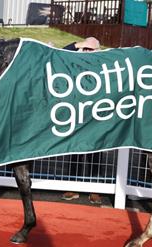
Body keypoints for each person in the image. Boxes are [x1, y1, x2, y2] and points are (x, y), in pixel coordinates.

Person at [61, 37, 103, 204]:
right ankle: (73, 186)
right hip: (77, 113)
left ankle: (94, 189)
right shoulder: (75, 62)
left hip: (96, 114)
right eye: (85, 49)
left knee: (95, 153)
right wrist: (79, 45)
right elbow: (61, 53)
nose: (87, 52)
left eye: (90, 50)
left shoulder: (103, 64)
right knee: (75, 151)